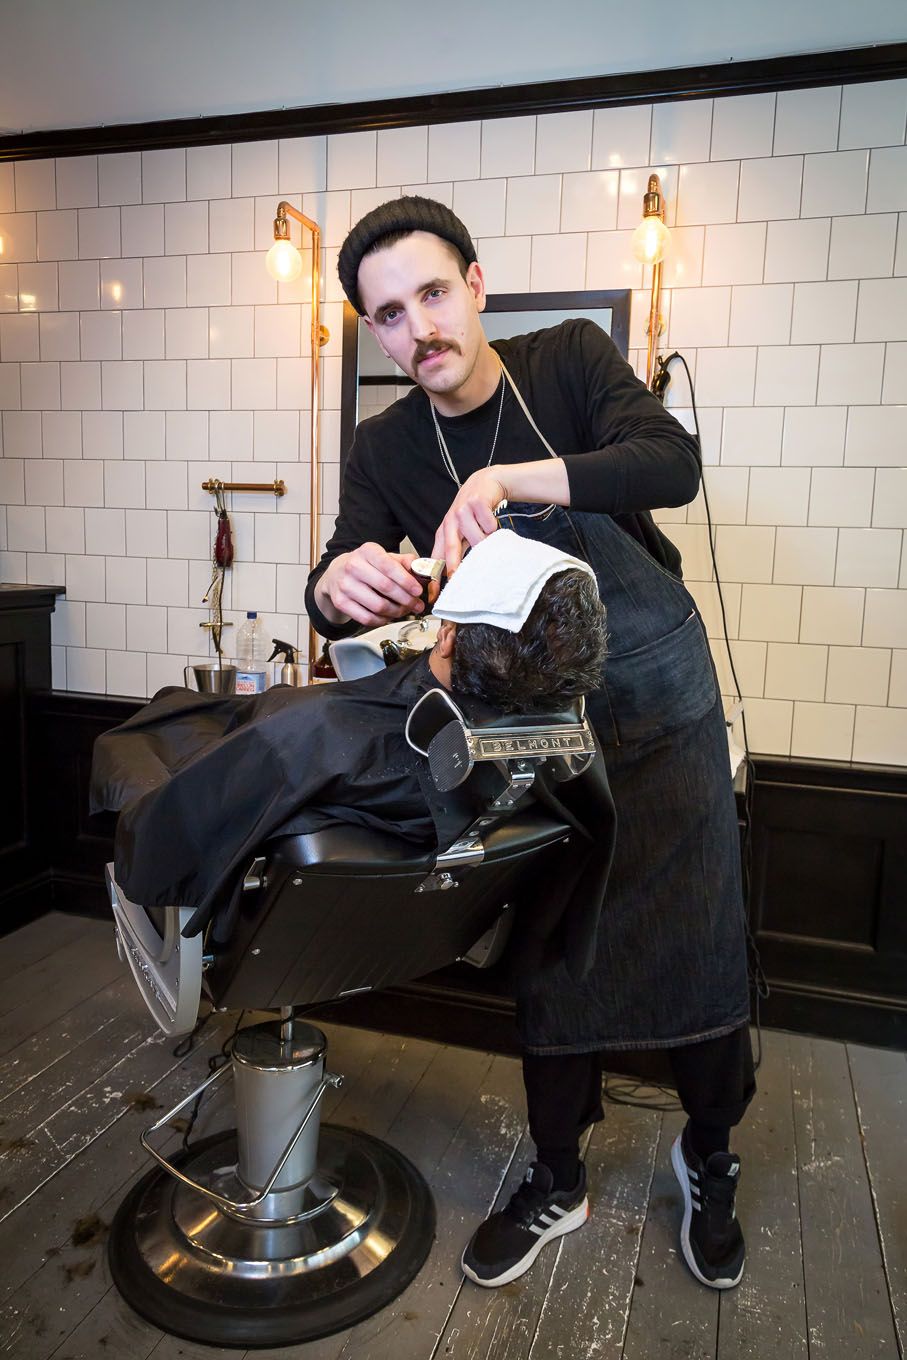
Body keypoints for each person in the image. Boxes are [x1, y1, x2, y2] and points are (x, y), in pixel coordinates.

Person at [306, 195, 754, 1292]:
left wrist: (509, 481)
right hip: (541, 733)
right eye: (390, 315)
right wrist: (333, 589)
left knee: (694, 936)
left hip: (663, 705)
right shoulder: (386, 445)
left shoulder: (564, 361)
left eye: (432, 294)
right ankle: (558, 1174)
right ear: (375, 332)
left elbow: (670, 462)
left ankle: (709, 1155)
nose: (419, 329)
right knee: (554, 950)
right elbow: (336, 589)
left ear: (475, 286)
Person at [91, 537, 610, 959]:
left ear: (447, 637)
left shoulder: (312, 730)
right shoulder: (551, 750)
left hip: (261, 750)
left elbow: (170, 828)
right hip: (387, 919)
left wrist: (139, 834)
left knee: (162, 722)